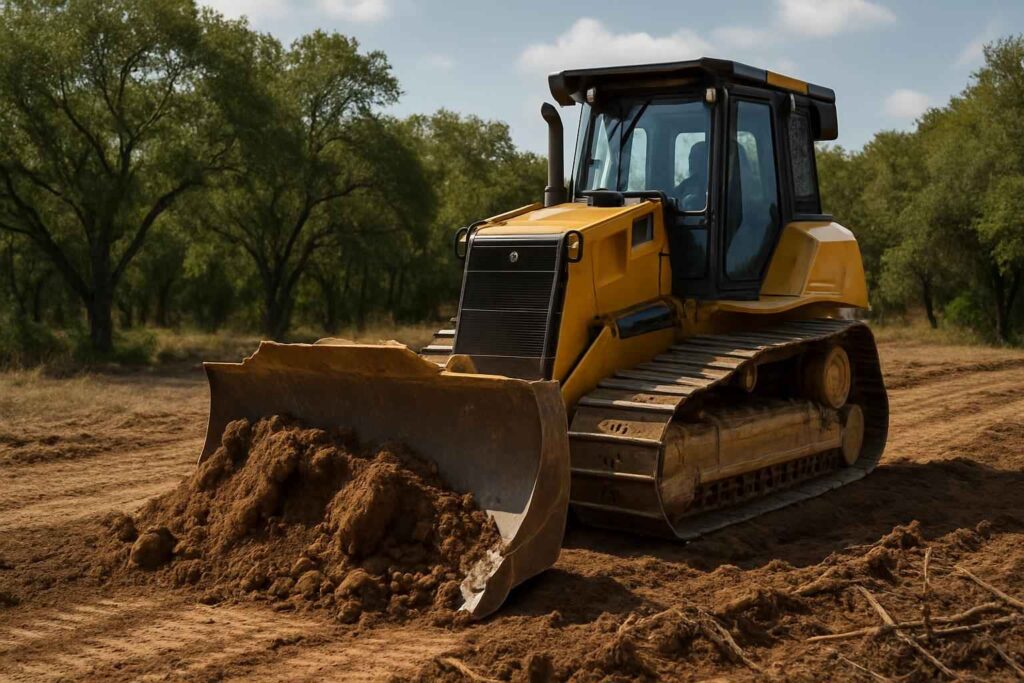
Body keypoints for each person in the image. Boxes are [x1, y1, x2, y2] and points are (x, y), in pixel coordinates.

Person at [672, 141, 708, 211]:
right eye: (691, 158)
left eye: (697, 158)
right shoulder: (684, 186)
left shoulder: (716, 187)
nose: (691, 162)